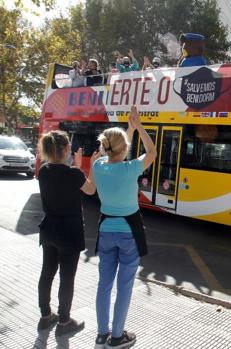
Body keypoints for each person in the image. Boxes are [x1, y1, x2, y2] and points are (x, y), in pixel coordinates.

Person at [92, 106, 157, 348]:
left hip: (106, 230)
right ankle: (117, 337)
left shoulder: (98, 166)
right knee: (124, 286)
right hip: (129, 233)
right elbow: (152, 151)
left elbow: (112, 150)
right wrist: (138, 126)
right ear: (125, 148)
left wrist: (127, 129)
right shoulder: (131, 169)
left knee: (104, 284)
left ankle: (102, 334)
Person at [37, 131, 98, 336]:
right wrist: (92, 167)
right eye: (69, 147)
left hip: (49, 229)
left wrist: (75, 167)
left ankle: (46, 317)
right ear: (65, 151)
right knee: (67, 277)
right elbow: (89, 190)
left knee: (47, 272)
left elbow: (62, 181)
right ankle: (64, 322)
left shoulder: (44, 171)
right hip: (69, 232)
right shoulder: (74, 174)